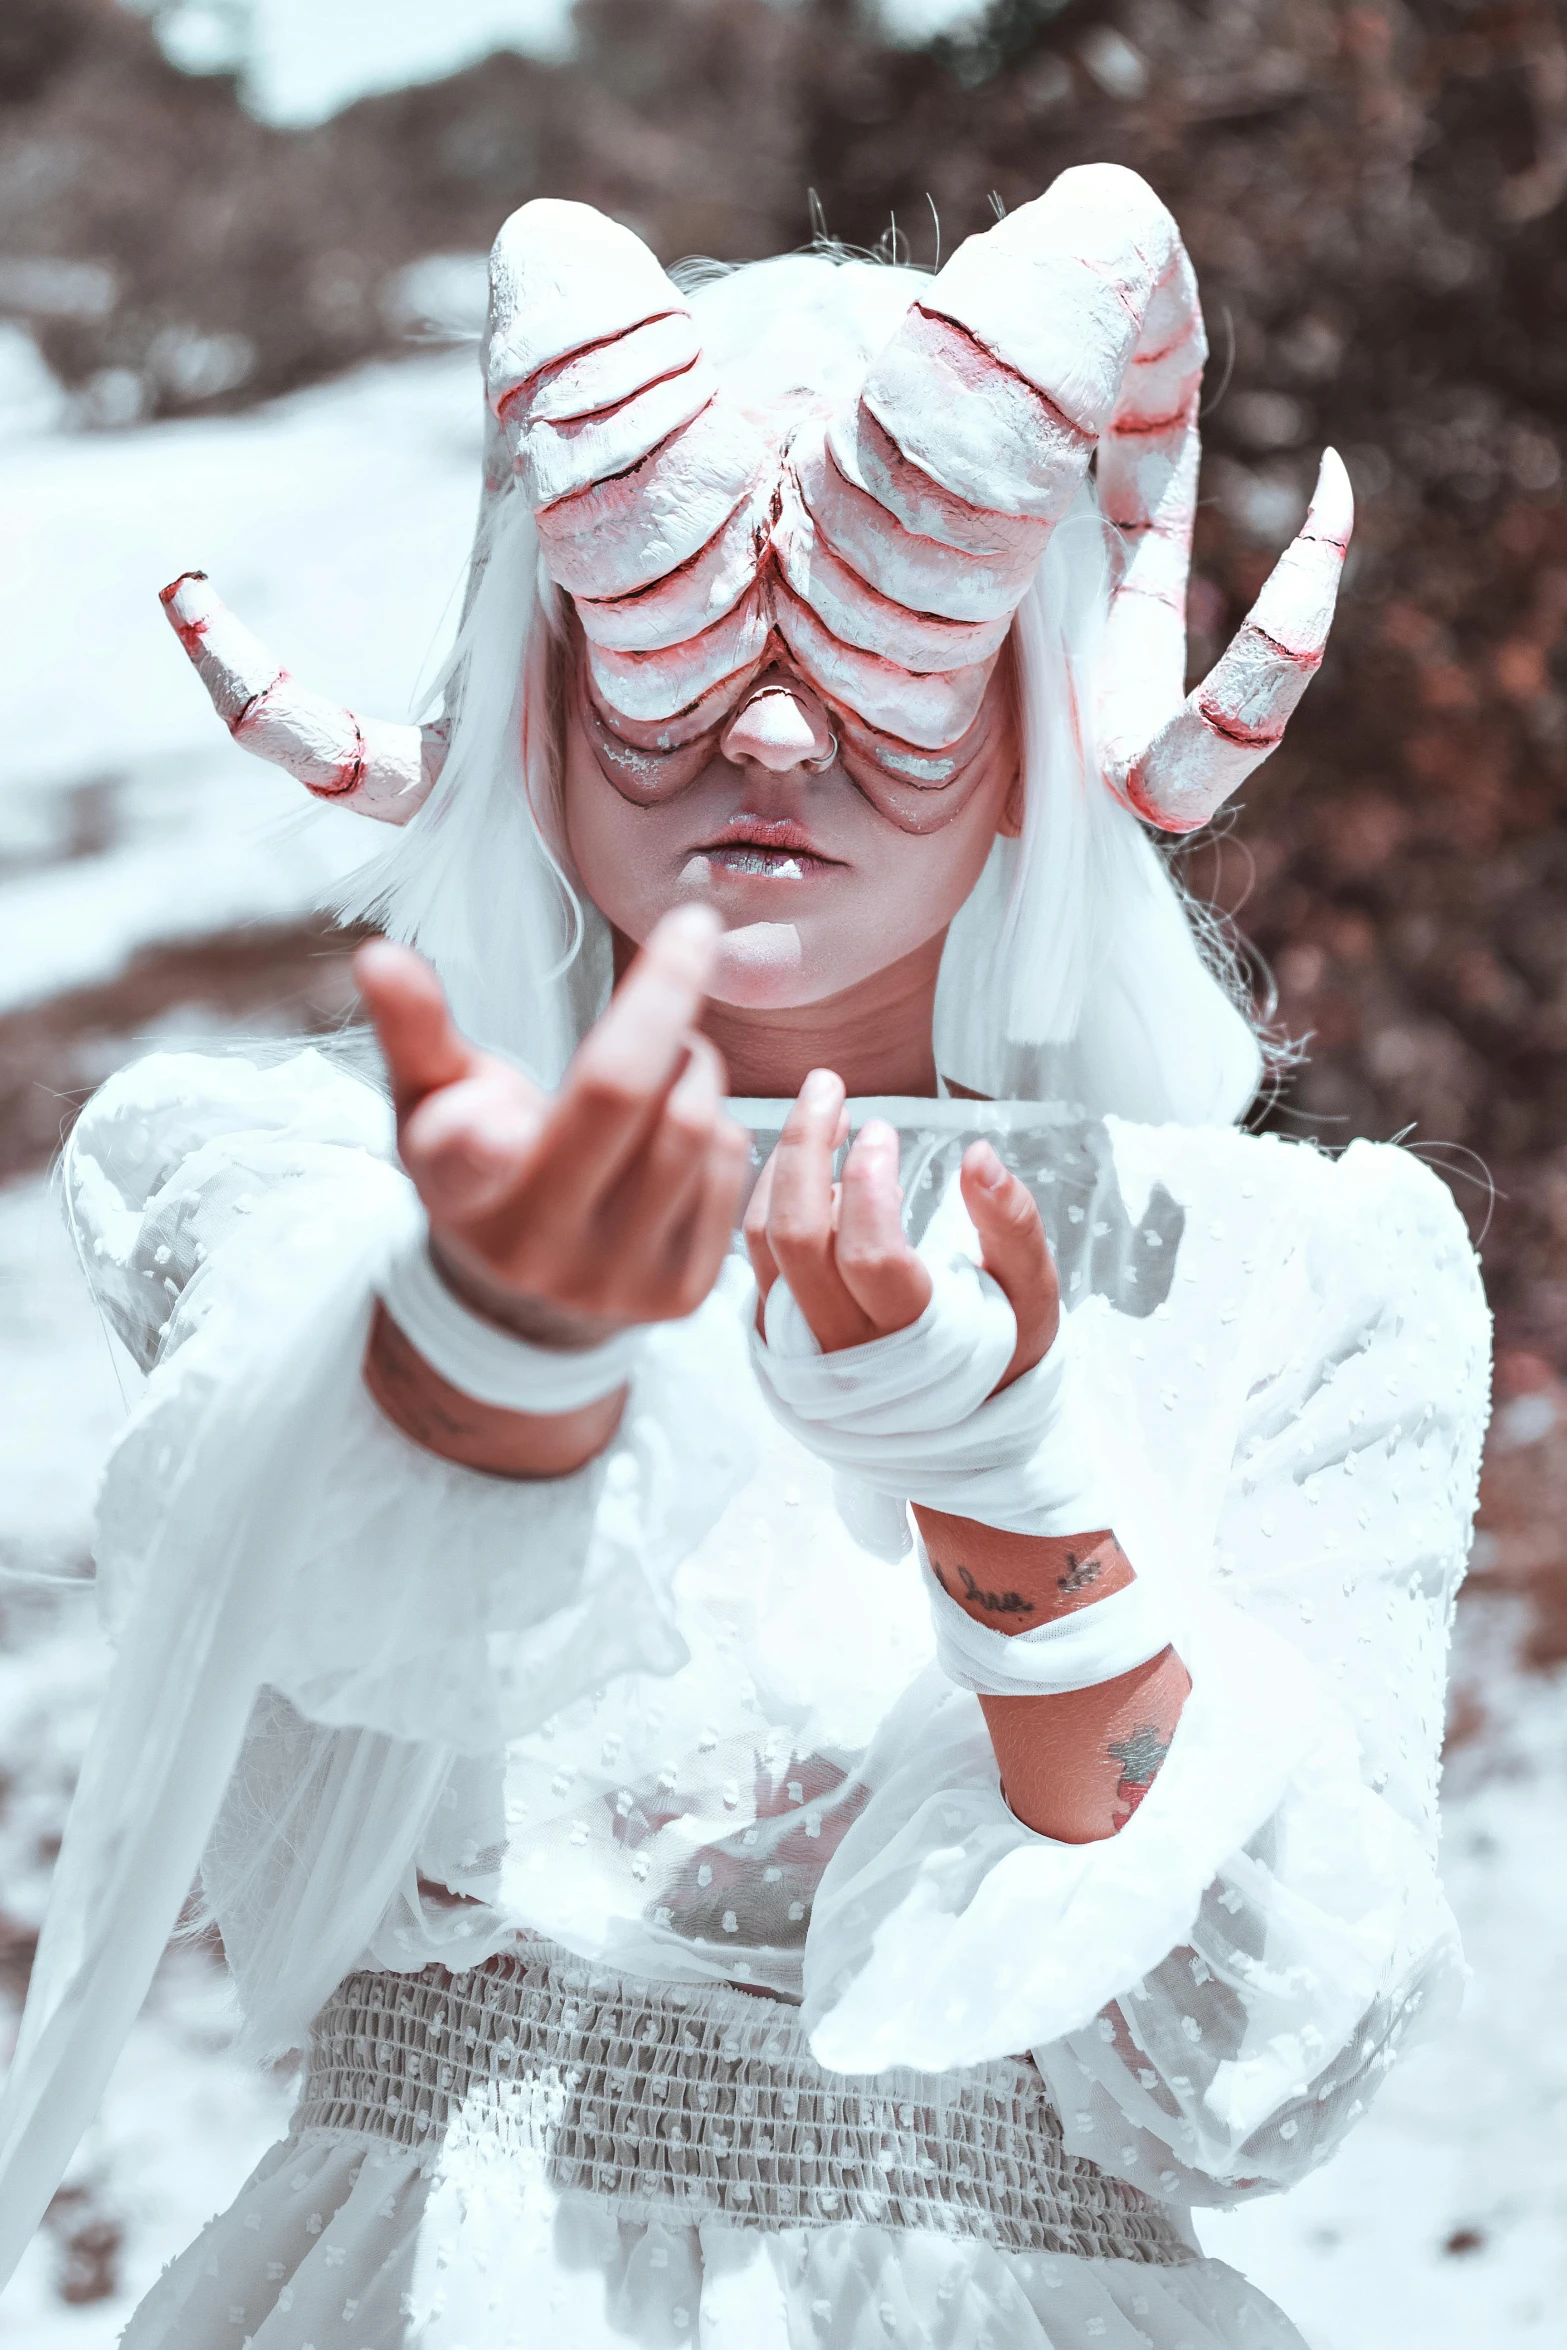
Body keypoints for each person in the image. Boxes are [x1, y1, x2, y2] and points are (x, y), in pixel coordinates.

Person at [0, 169, 1489, 2349]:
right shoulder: (305, 1170)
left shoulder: (1292, 1266)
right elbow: (333, 1560)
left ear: (1046, 701)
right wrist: (503, 1330)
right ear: (530, 675)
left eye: (881, 653)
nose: (774, 737)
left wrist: (1013, 1487)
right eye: (678, 654)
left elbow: (1251, 2077)